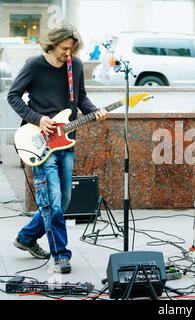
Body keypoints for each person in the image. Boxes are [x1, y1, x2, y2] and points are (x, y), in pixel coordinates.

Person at [7, 23, 108, 274]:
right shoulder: (34, 66)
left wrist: (95, 112)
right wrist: (37, 118)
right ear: (52, 44)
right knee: (52, 201)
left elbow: (81, 97)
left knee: (63, 201)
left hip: (66, 139)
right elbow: (13, 96)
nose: (67, 54)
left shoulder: (75, 65)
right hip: (39, 141)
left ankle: (26, 237)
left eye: (71, 49)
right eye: (64, 48)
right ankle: (60, 255)